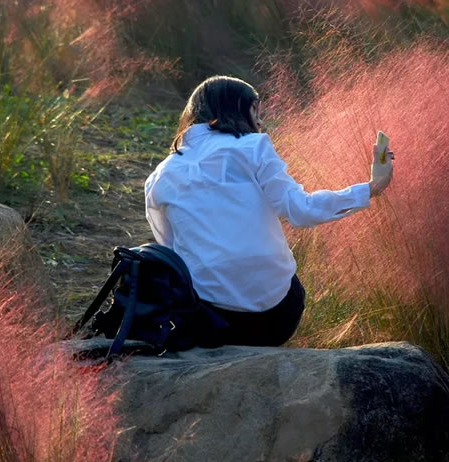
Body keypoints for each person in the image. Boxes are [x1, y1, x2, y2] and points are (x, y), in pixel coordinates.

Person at [144, 75, 394, 347]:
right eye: (256, 110)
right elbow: (301, 210)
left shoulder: (159, 175)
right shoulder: (253, 146)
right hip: (274, 319)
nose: (260, 121)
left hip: (209, 321)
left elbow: (170, 252)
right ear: (242, 109)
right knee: (286, 282)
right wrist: (373, 187)